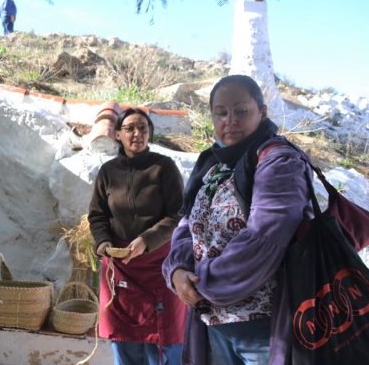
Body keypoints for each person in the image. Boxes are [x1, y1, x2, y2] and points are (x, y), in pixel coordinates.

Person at [162, 74, 313, 364]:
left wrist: (202, 286)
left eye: (241, 111)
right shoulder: (213, 165)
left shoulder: (279, 162)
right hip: (214, 323)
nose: (230, 120)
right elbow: (186, 225)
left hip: (263, 327)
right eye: (221, 113)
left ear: (262, 112)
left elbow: (265, 238)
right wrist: (178, 271)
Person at [88, 108, 186, 365]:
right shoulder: (108, 172)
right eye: (130, 128)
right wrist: (103, 241)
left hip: (158, 266)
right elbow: (97, 215)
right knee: (124, 339)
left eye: (143, 128)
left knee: (163, 342)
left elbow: (177, 215)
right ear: (118, 134)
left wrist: (147, 240)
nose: (137, 133)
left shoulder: (163, 168)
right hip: (119, 269)